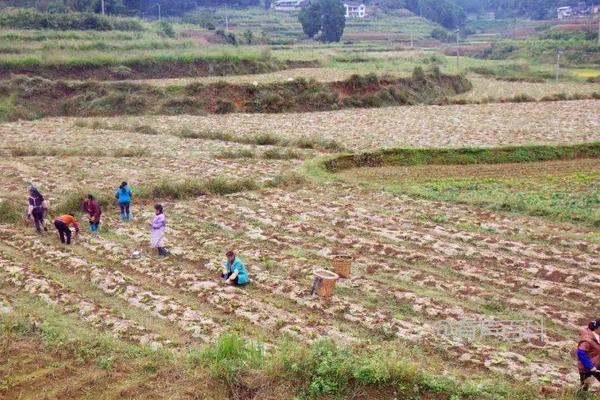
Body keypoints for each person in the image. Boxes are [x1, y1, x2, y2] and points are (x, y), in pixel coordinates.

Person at [577, 319, 600, 391]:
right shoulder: (587, 340)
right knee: (584, 388)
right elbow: (581, 353)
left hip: (598, 364)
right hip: (587, 368)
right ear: (598, 328)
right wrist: (590, 367)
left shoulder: (598, 337)